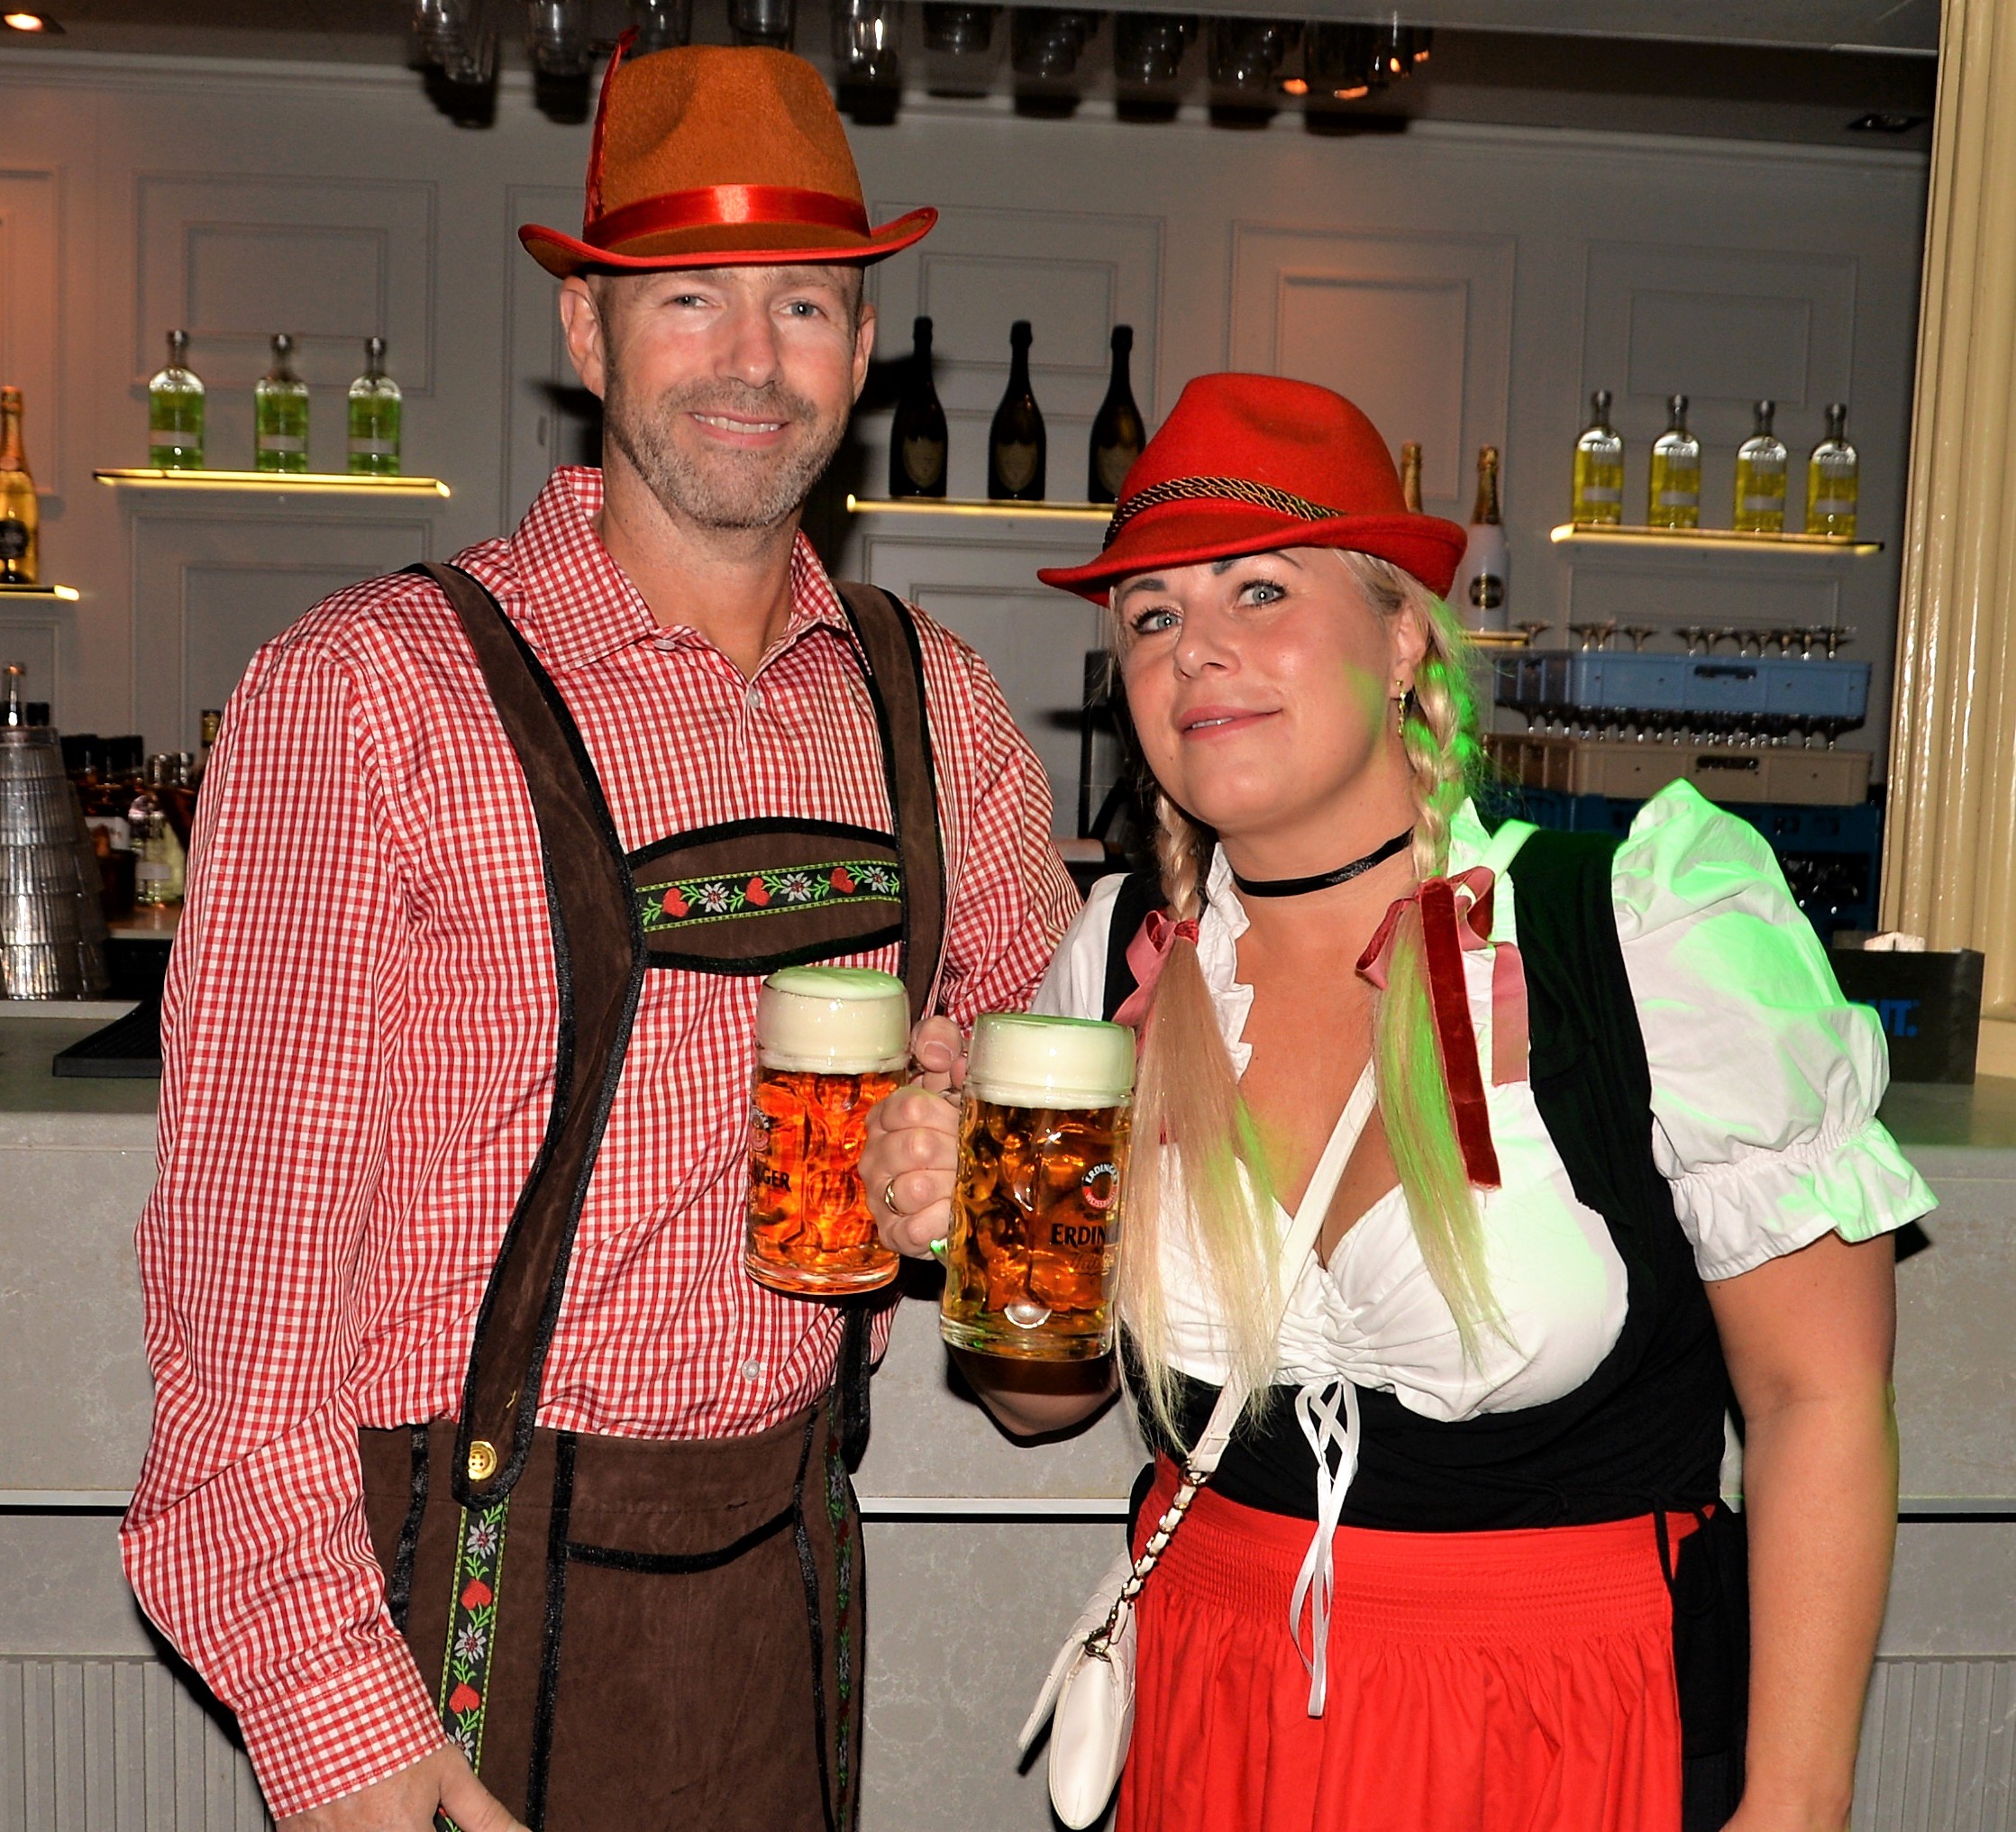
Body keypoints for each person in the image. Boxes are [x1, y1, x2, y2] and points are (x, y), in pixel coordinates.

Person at [121, 40, 1076, 1832]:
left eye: (804, 305)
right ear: (589, 332)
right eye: (689, 295)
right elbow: (243, 1310)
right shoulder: (369, 695)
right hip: (447, 1616)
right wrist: (340, 1730)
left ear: (864, 347)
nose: (751, 358)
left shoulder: (937, 708)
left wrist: (980, 1185)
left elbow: (1080, 1093)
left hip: (787, 1584)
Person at [863, 373, 1929, 1832]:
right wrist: (972, 1237)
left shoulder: (1638, 926)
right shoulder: (1112, 961)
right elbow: (1040, 1405)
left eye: (1258, 590)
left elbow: (1818, 1397)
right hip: (1219, 1715)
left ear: (1404, 632)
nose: (1195, 650)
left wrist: (1793, 1801)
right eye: (1152, 616)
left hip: (1564, 1729)